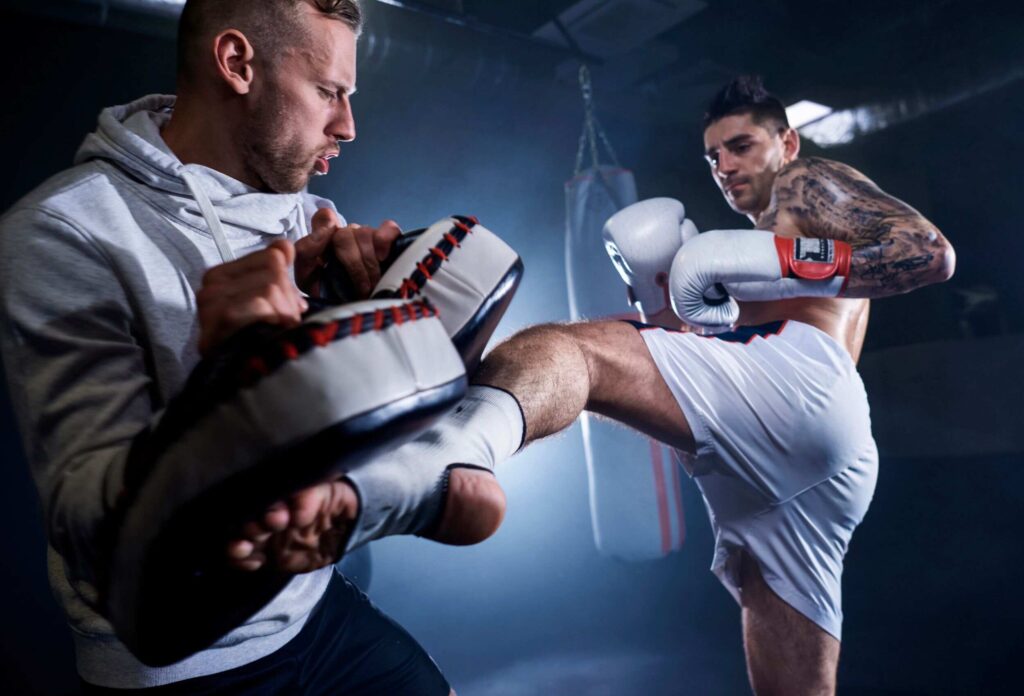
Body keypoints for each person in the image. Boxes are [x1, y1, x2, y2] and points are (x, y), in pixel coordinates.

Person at [232, 76, 955, 695]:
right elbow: (694, 349)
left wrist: (741, 254)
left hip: (803, 384)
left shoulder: (807, 184)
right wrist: (669, 297)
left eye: (742, 146)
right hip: (812, 461)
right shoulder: (745, 250)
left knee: (568, 352)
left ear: (786, 143)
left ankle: (429, 469)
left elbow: (926, 254)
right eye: (712, 156)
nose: (725, 167)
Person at [0, 0, 504, 692]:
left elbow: (327, 420)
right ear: (238, 64)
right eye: (329, 92)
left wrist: (354, 317)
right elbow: (98, 535)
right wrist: (234, 370)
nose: (348, 126)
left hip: (310, 609)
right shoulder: (62, 231)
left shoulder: (295, 210)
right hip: (183, 661)